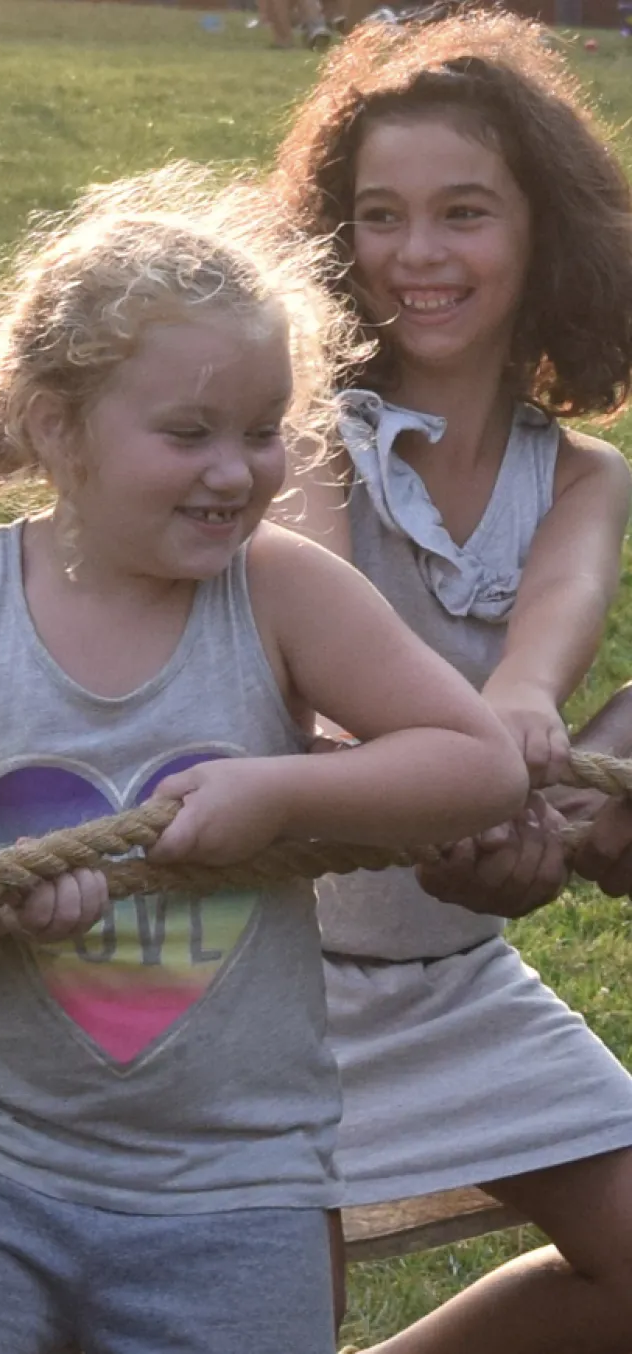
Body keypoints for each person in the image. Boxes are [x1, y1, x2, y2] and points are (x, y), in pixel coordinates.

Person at [0, 162, 527, 1354]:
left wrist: (282, 789)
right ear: (57, 426)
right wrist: (1, 901)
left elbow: (477, 762)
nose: (236, 470)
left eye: (263, 432)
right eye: (188, 433)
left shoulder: (281, 591)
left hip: (236, 1175)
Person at [272, 11, 632, 1352]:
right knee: (264, 1323)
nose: (415, 256)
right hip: (275, 978)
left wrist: (523, 718)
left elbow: (549, 634)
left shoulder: (586, 479)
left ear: (544, 230)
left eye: (463, 212)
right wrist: (470, 755)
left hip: (454, 980)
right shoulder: (309, 443)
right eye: (378, 216)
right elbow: (326, 638)